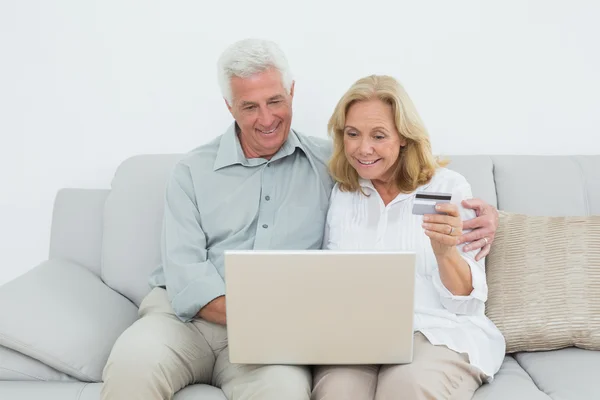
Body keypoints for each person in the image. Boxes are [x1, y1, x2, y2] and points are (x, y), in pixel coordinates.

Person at [100, 39, 499, 400]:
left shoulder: (333, 166)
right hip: (185, 321)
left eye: (275, 101)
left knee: (286, 392)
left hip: (275, 336)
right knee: (133, 368)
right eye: (249, 106)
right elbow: (186, 278)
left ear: (292, 93)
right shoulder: (192, 172)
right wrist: (280, 317)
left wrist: (492, 217)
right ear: (229, 107)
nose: (266, 118)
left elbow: (398, 172)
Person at [311, 75, 506, 400]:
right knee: (336, 391)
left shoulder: (446, 189)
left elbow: (468, 304)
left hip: (438, 331)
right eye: (352, 134)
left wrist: (446, 254)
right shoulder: (344, 195)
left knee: (406, 388)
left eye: (379, 135)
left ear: (403, 137)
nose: (363, 148)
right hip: (360, 334)